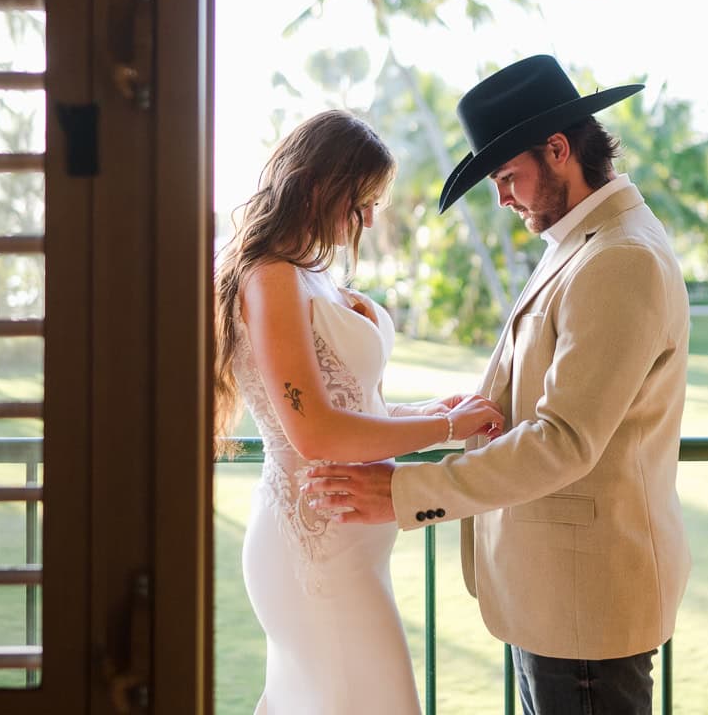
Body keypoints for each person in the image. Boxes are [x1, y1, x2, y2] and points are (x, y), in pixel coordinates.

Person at [305, 55, 692, 715]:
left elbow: (563, 440)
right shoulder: (584, 244)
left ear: (560, 150)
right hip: (553, 593)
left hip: (585, 604)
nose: (503, 198)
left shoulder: (618, 257)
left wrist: (404, 493)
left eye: (508, 177)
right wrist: (444, 415)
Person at [214, 109, 506, 715]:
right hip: (313, 549)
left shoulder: (308, 275)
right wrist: (448, 428)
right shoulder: (270, 279)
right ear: (321, 188)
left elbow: (350, 404)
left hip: (348, 551)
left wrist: (425, 409)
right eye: (363, 201)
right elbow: (316, 431)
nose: (372, 218)